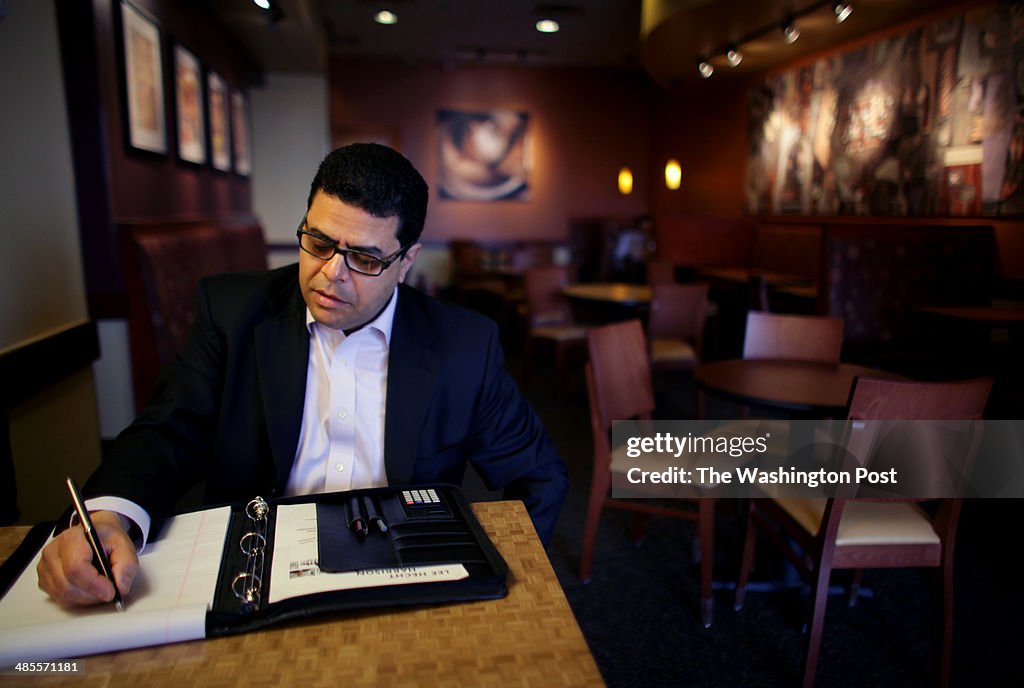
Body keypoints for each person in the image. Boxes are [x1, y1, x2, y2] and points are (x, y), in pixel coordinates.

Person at [37, 143, 568, 607]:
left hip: (404, 575)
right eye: (318, 242)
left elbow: (540, 475)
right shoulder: (231, 313)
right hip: (256, 567)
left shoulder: (464, 345)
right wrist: (110, 516)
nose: (330, 274)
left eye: (363, 258)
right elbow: (165, 433)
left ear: (406, 262)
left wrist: (501, 581)